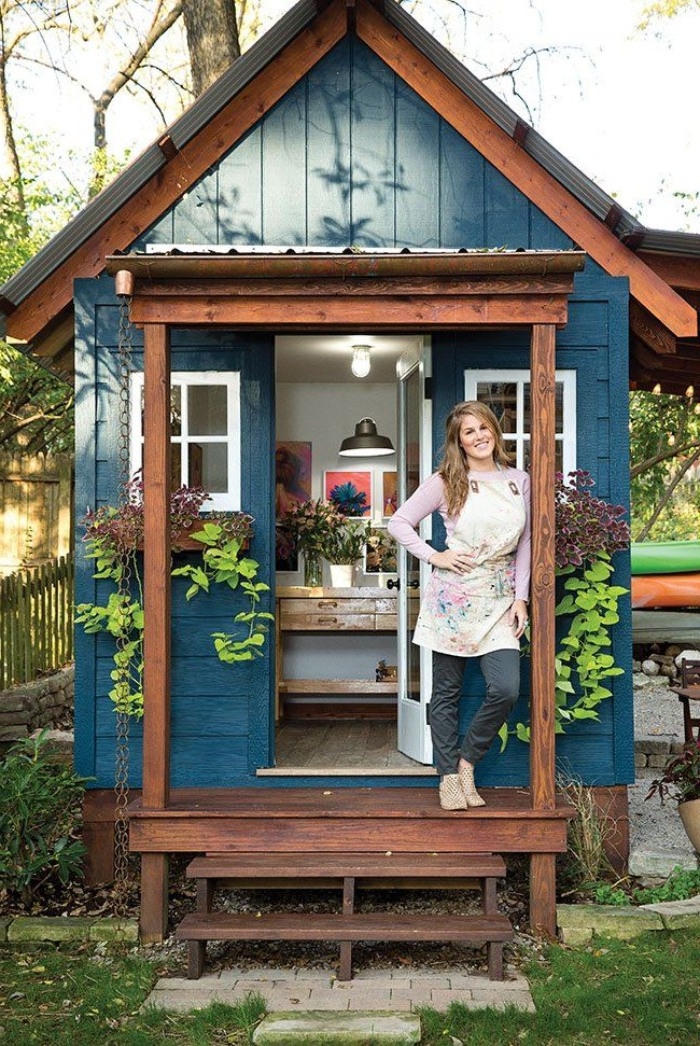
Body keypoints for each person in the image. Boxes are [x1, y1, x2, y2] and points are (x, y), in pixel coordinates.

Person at [387, 401, 530, 811]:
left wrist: (520, 597)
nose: (479, 435)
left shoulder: (519, 480)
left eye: (484, 427)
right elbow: (399, 522)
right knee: (446, 692)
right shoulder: (447, 479)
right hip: (453, 597)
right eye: (469, 431)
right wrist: (434, 555)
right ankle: (448, 777)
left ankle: (467, 762)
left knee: (505, 688)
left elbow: (526, 544)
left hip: (502, 597)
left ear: (494, 433)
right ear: (459, 441)